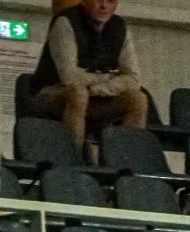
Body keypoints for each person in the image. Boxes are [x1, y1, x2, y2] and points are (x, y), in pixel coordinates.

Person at [31, 0, 148, 149]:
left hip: (94, 94)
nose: (104, 6)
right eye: (98, 0)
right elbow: (69, 77)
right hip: (51, 92)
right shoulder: (65, 22)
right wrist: (109, 77)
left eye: (111, 1)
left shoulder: (120, 27)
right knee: (78, 93)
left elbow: (133, 79)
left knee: (138, 99)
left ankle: (127, 157)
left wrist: (100, 89)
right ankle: (72, 155)